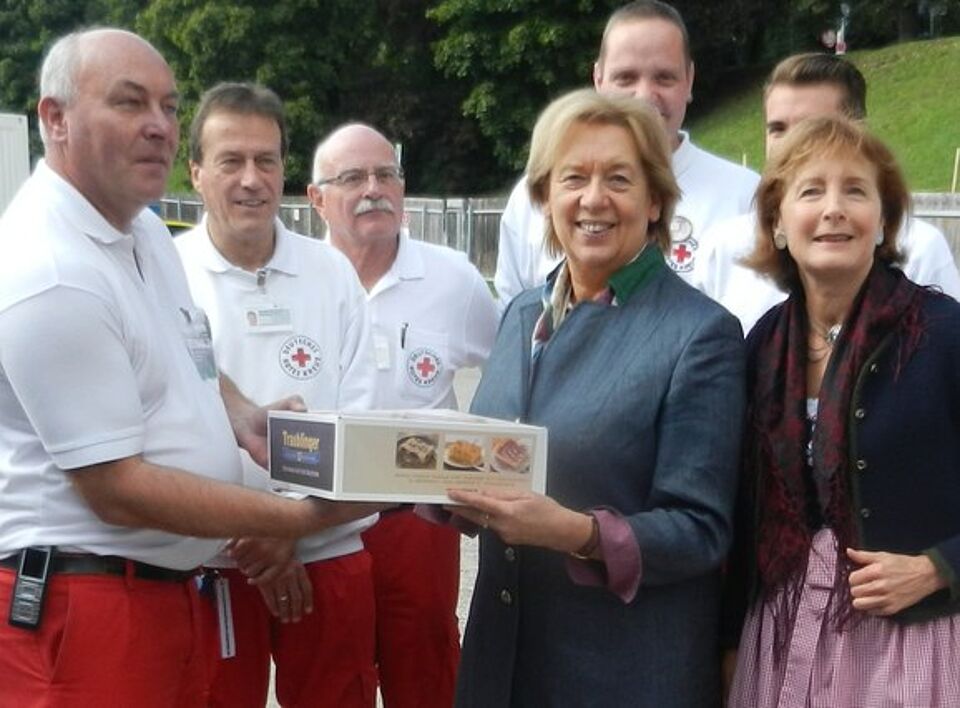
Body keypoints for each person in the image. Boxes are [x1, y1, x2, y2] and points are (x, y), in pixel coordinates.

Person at [0, 29, 379, 706]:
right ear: (55, 119)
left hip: (152, 588)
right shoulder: (51, 269)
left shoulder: (141, 230)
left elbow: (188, 353)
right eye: (129, 102)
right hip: (83, 597)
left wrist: (243, 417)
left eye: (169, 107)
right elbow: (115, 487)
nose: (158, 126)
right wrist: (292, 519)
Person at [449, 88, 745, 707]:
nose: (593, 198)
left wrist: (577, 533)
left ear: (655, 200)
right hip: (504, 662)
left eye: (619, 178)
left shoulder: (699, 334)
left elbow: (700, 530)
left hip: (619, 672)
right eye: (573, 178)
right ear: (545, 196)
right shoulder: (522, 313)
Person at [723, 116, 960, 707]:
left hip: (913, 643)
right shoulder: (761, 346)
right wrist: (726, 645)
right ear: (778, 224)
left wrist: (938, 568)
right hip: (782, 641)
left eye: (855, 190)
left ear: (883, 222)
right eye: (811, 191)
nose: (834, 209)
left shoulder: (943, 335)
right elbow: (742, 512)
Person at [176, 83, 380, 708]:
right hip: (213, 561)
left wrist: (289, 526)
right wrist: (256, 532)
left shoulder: (331, 272)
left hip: (326, 548)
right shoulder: (167, 272)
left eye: (265, 160)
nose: (251, 179)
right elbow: (164, 422)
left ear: (284, 169)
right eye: (230, 161)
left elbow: (361, 418)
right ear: (196, 172)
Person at [308, 123, 498, 707]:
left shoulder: (453, 279)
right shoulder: (298, 279)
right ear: (316, 198)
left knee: (428, 674)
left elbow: (508, 374)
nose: (374, 189)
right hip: (319, 522)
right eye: (353, 178)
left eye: (385, 174)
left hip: (417, 521)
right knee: (330, 679)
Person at [494, 0, 760, 311]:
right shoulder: (534, 198)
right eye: (626, 78)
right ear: (598, 79)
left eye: (664, 77)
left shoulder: (745, 195)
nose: (644, 96)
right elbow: (514, 319)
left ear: (689, 80)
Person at [693, 53, 960, 333]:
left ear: (855, 133)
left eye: (812, 128)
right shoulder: (723, 249)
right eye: (778, 129)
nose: (791, 143)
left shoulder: (921, 250)